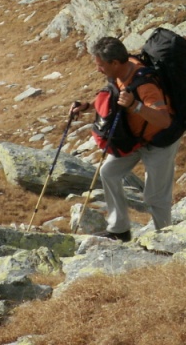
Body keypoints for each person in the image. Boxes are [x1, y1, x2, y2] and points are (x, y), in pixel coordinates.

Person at [70, 36, 178, 241]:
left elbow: (164, 120)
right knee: (109, 172)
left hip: (159, 142)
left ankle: (165, 241)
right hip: (134, 138)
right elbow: (113, 94)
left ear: (115, 63)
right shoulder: (119, 72)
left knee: (155, 196)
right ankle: (119, 230)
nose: (98, 69)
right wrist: (88, 106)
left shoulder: (145, 85)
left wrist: (135, 106)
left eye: (101, 65)